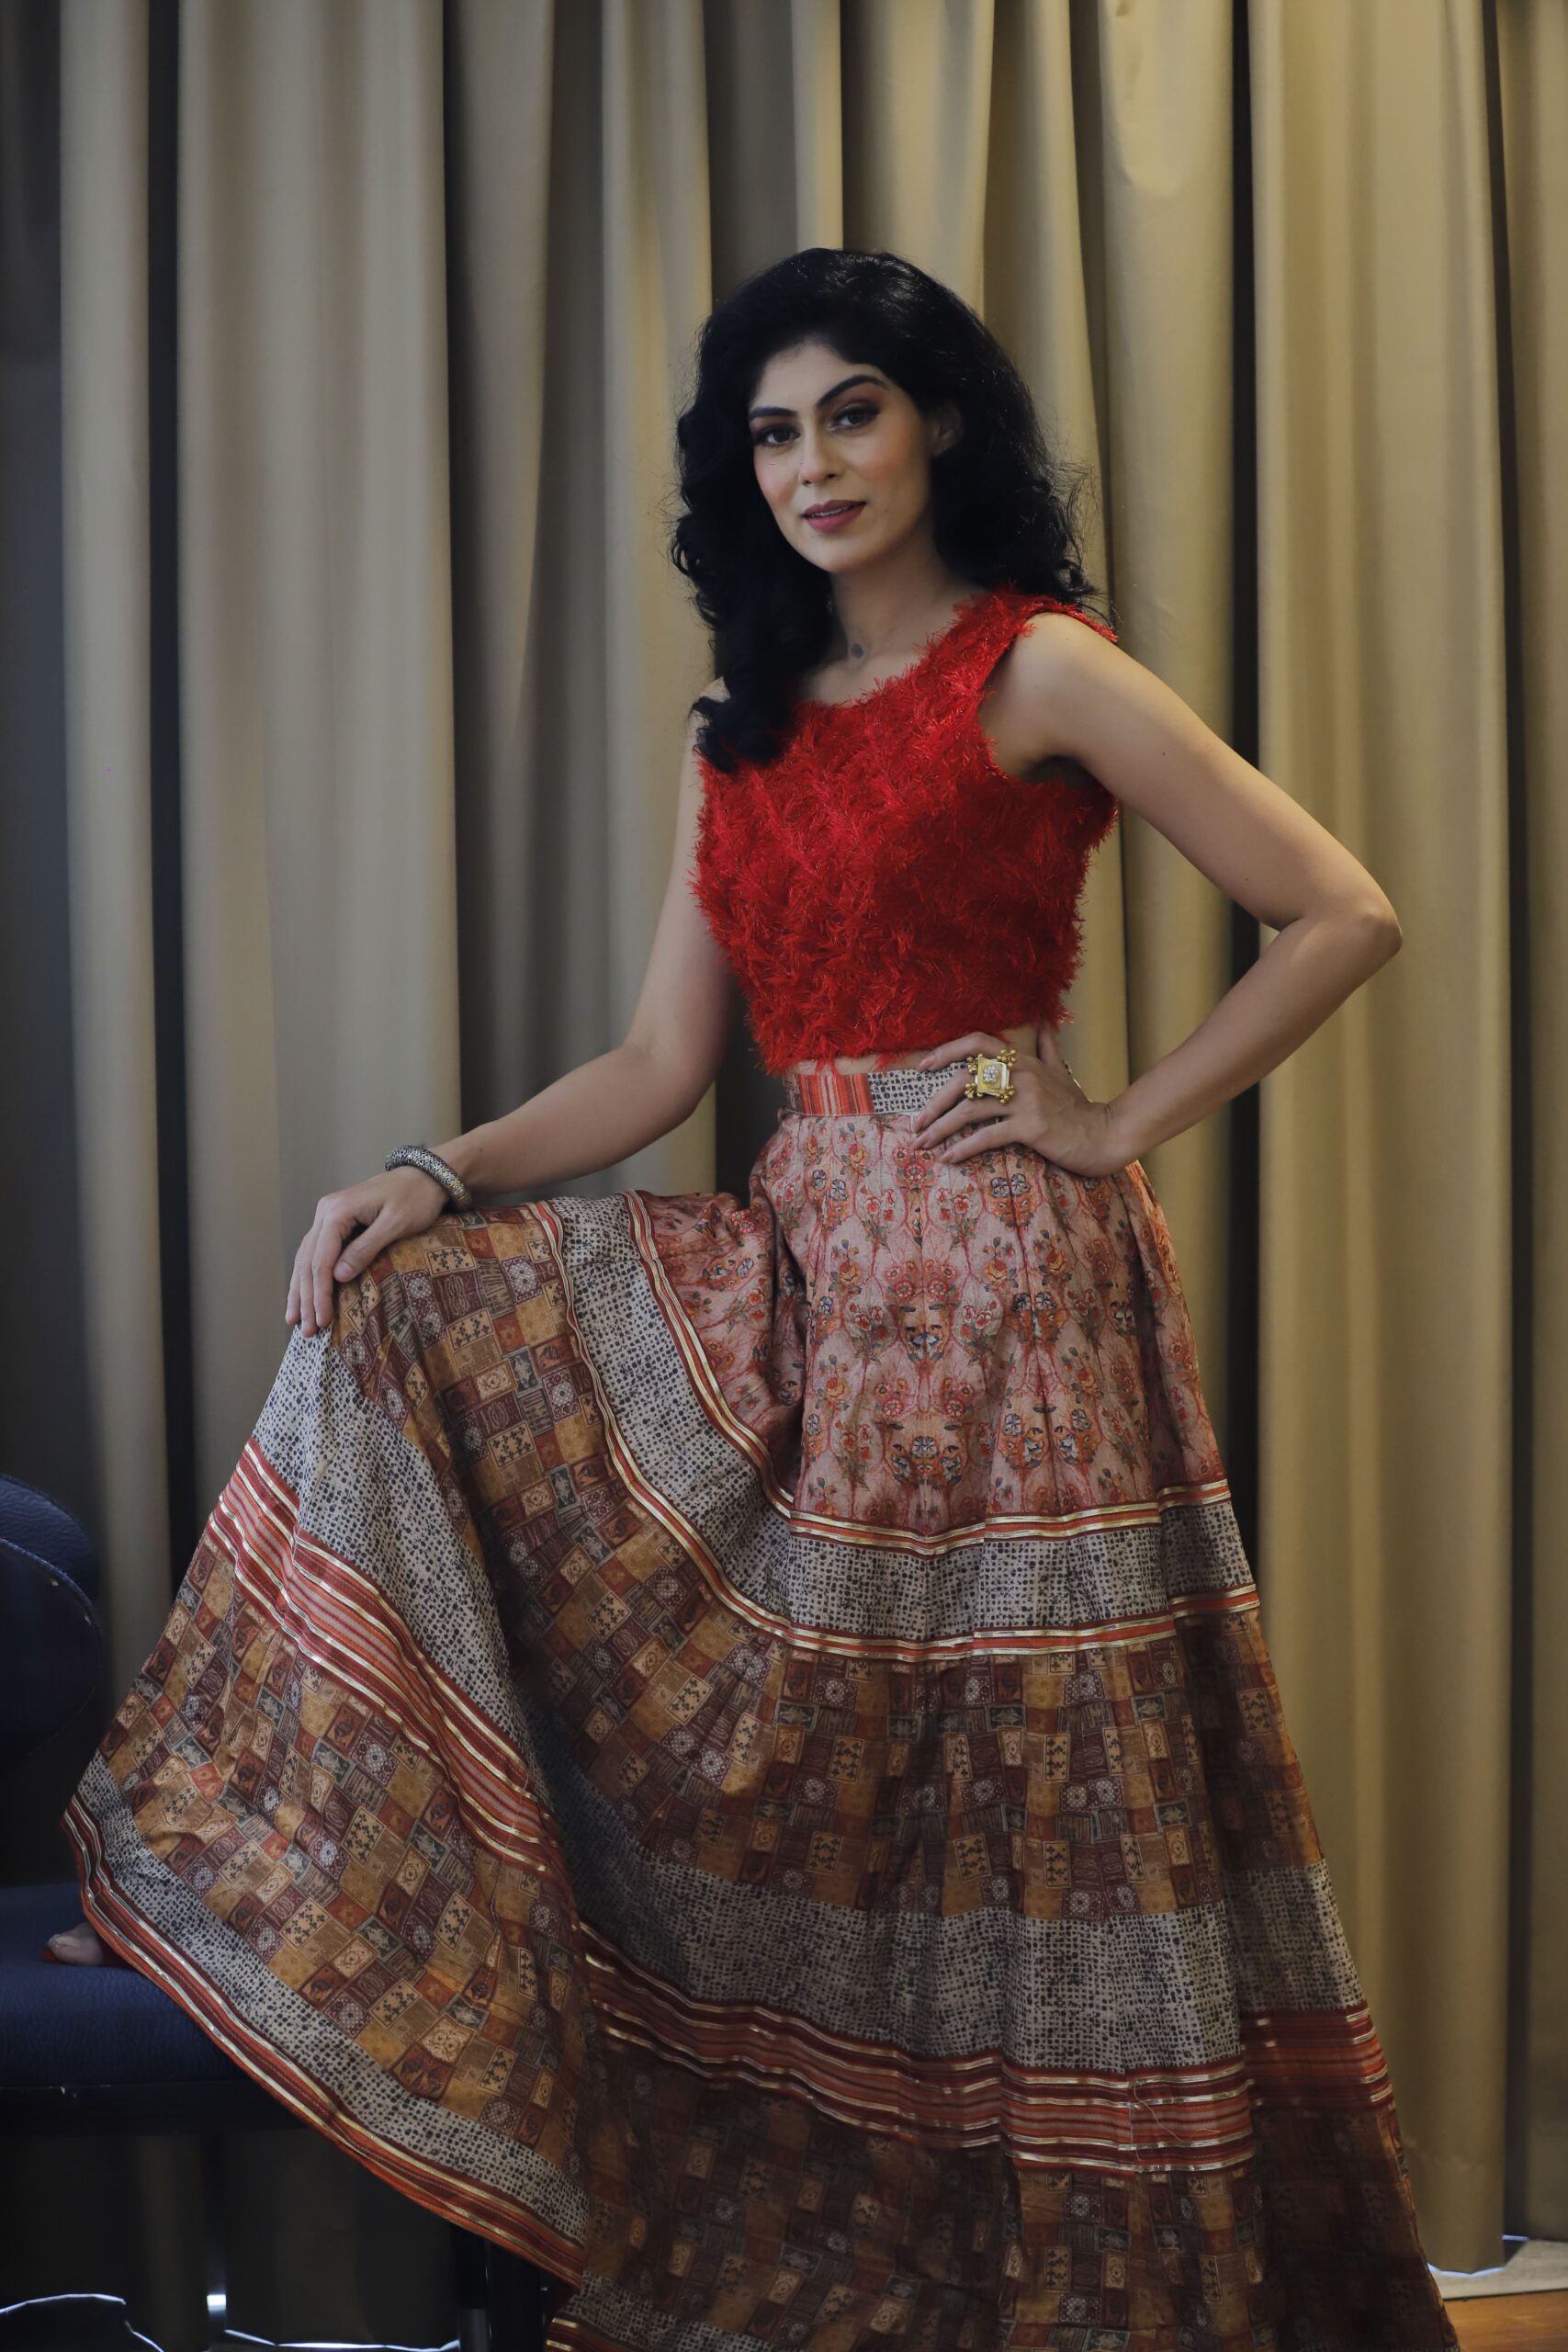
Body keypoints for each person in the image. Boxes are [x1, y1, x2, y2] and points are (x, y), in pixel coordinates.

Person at [51, 247, 1459, 2351]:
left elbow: (1334, 907)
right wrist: (428, 1172)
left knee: (1021, 1799)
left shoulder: (1035, 668)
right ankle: (241, 1880)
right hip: (813, 1267)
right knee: (405, 1321)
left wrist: (1109, 1121)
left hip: (1007, 1306)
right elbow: (654, 1065)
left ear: (936, 421)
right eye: (771, 432)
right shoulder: (745, 731)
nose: (811, 465)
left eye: (849, 414)